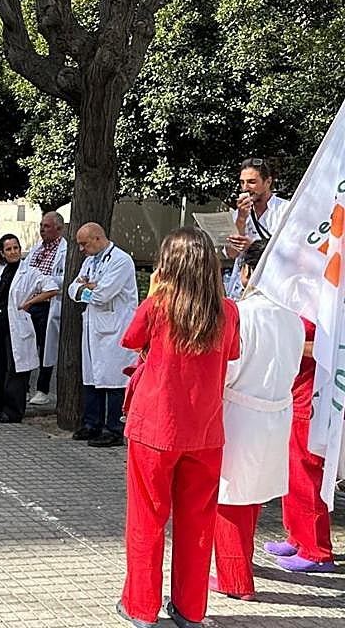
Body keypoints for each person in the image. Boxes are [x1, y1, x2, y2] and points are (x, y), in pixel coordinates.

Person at [116, 228, 240, 628]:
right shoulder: (227, 310)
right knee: (198, 523)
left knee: (147, 518)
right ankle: (190, 608)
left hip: (155, 427)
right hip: (205, 431)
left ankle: (141, 606)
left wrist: (156, 292)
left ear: (167, 265)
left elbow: (130, 339)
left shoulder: (158, 305)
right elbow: (232, 352)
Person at [212, 240, 305, 600]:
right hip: (276, 412)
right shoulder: (292, 317)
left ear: (249, 272)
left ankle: (235, 579)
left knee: (230, 498)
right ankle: (241, 564)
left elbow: (228, 369)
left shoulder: (240, 314)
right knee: (251, 497)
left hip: (240, 412)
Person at [263, 321, 338, 573]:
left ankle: (317, 551)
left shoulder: (330, 305)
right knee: (292, 473)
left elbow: (329, 349)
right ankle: (297, 537)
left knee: (306, 473)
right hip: (295, 392)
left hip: (312, 397)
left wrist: (285, 342)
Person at [0, 233, 59, 424]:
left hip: (16, 327)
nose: (13, 252)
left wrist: (30, 302)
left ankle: (13, 411)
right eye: (8, 249)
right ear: (2, 253)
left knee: (16, 370)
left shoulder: (30, 272)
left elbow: (52, 288)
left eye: (16, 248)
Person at [67, 223, 139, 448]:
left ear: (98, 238)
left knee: (114, 379)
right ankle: (92, 424)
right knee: (92, 376)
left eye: (84, 244)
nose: (81, 249)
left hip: (115, 328)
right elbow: (71, 289)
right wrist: (88, 288)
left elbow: (103, 295)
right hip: (94, 326)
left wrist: (86, 289)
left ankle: (115, 429)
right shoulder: (90, 260)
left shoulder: (121, 260)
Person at [224, 158, 288, 299]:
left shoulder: (285, 211)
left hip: (273, 290)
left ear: (268, 182)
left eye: (252, 182)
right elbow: (231, 253)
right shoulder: (238, 213)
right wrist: (241, 219)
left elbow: (292, 252)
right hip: (240, 291)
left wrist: (253, 246)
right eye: (242, 182)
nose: (245, 188)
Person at [24, 211, 67, 406]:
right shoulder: (37, 248)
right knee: (27, 346)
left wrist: (43, 281)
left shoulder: (65, 251)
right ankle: (24, 387)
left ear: (59, 228)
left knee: (45, 350)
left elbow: (64, 279)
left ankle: (42, 389)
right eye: (41, 225)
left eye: (46, 226)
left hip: (49, 305)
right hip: (31, 303)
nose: (42, 229)